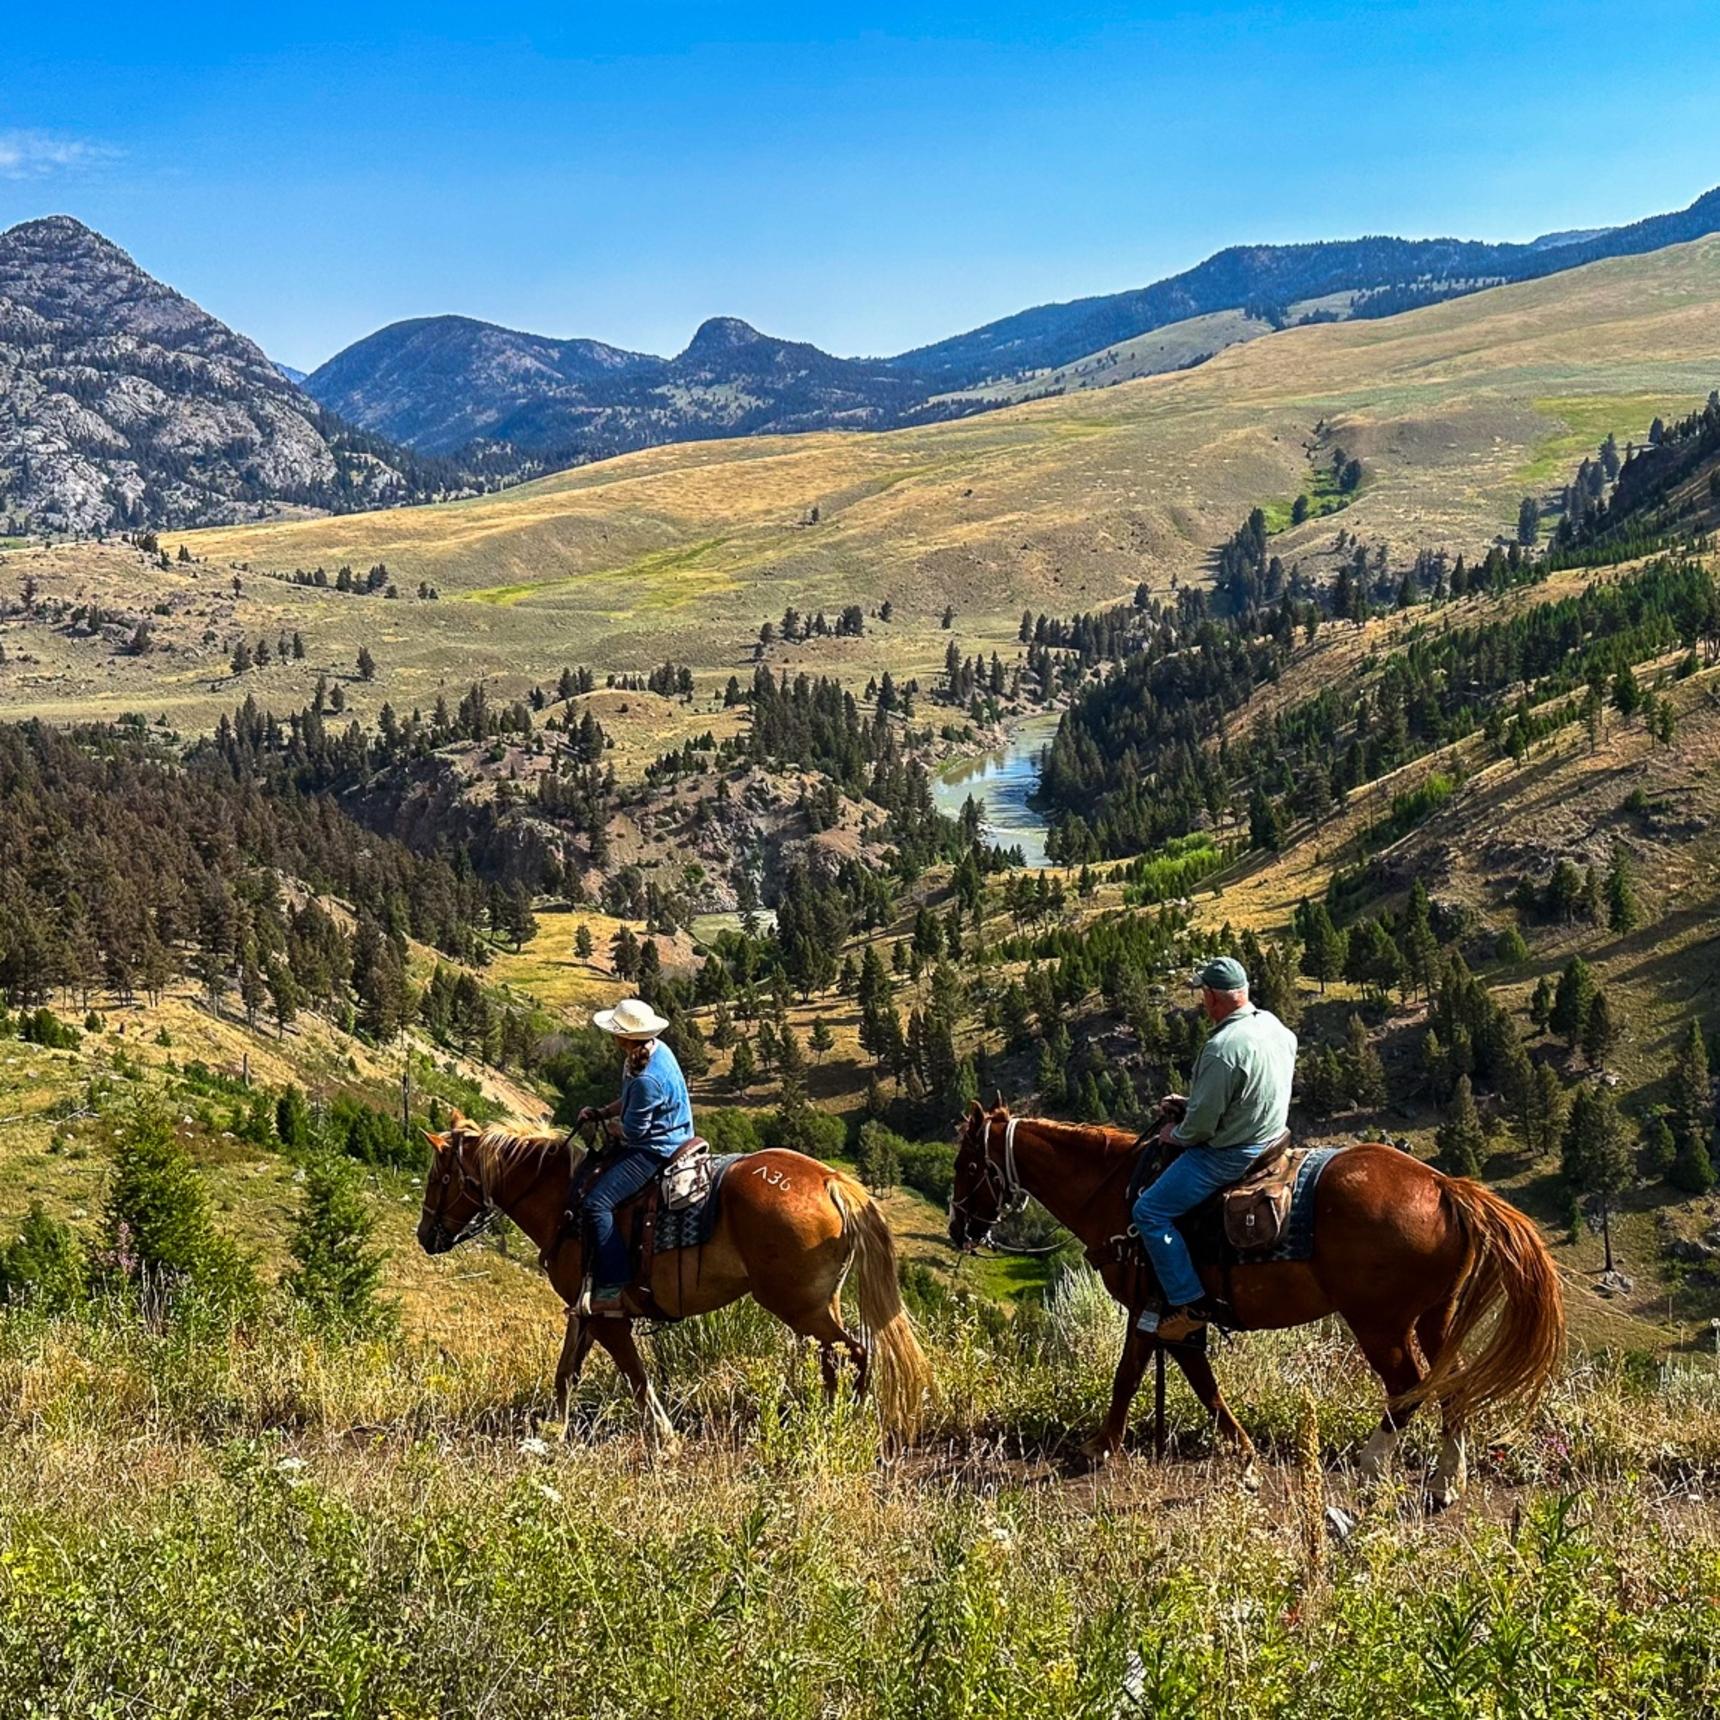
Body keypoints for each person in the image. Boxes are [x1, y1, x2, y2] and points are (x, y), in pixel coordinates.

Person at [1132, 956, 1297, 1342]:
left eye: (1202, 994)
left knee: (1149, 1211)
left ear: (1211, 997)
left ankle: (1190, 1302)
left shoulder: (1221, 1047)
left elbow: (1202, 1128)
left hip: (1230, 1154)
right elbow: (1246, 1092)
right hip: (1272, 1136)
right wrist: (1196, 1103)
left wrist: (1175, 1132)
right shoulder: (1273, 1026)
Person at [574, 997, 694, 1314]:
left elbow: (635, 1132)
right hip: (663, 1134)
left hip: (657, 1147)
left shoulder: (646, 1078)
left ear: (625, 1037)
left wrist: (614, 1128)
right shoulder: (650, 1054)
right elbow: (629, 1102)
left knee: (596, 1203)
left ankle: (612, 1285)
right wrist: (602, 1113)